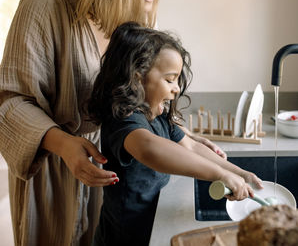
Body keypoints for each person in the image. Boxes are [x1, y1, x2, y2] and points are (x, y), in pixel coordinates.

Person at [0, 0, 226, 245]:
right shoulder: (42, 8)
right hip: (56, 175)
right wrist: (65, 145)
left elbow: (137, 100)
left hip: (115, 176)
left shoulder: (134, 20)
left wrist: (175, 135)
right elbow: (10, 103)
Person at [87, 22, 263, 246]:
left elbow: (191, 146)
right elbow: (149, 148)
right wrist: (219, 174)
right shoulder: (124, 117)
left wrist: (239, 173)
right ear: (137, 77)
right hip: (124, 236)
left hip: (152, 224)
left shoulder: (158, 114)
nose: (177, 88)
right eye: (170, 79)